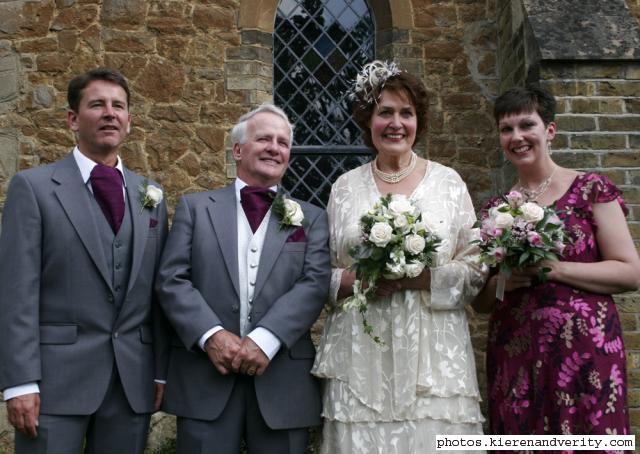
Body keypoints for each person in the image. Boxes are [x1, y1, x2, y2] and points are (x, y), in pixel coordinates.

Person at [311, 60, 486, 453]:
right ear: (368, 119)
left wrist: (418, 278)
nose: (395, 123)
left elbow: (476, 267)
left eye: (405, 113)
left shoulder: (449, 183)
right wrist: (360, 281)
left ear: (418, 121)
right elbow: (319, 271)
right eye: (384, 112)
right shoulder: (344, 188)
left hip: (435, 357)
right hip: (360, 352)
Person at [0, 67, 169, 454]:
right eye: (97, 105)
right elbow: (16, 291)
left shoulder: (152, 194)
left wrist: (160, 370)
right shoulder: (35, 188)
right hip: (54, 383)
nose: (110, 112)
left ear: (129, 121)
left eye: (118, 106)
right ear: (73, 120)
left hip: (131, 383)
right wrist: (21, 382)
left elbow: (158, 292)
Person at [156, 103, 331, 454]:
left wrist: (266, 339)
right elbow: (172, 279)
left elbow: (313, 284)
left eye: (283, 142)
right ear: (238, 150)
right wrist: (212, 336)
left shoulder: (310, 218)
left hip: (282, 381)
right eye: (264, 138)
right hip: (206, 376)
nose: (274, 147)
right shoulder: (196, 208)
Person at [473, 85, 640, 437]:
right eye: (506, 129)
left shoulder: (591, 189)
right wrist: (505, 281)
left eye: (526, 125)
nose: (516, 137)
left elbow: (629, 272)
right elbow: (482, 302)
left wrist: (555, 269)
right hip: (515, 351)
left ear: (550, 130)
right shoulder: (495, 210)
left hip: (584, 350)